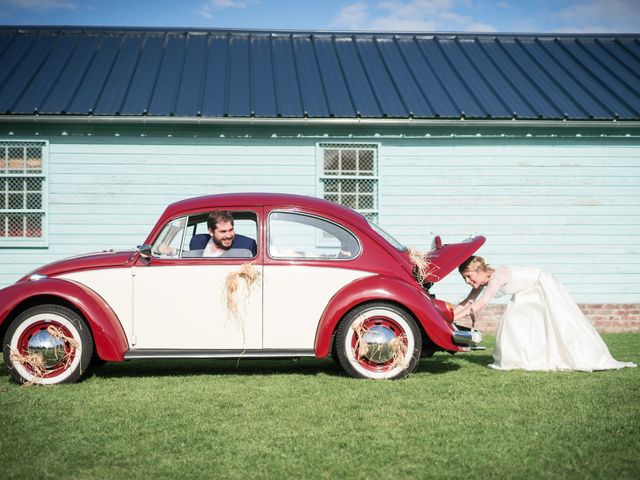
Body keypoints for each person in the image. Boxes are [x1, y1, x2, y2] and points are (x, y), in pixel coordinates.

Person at [454, 256, 636, 372]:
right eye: (465, 279)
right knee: (516, 322)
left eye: (469, 276)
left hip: (540, 286)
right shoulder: (482, 281)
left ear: (480, 271)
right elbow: (468, 302)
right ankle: (524, 357)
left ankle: (557, 355)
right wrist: (450, 316)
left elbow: (483, 302)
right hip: (525, 291)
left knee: (549, 323)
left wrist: (457, 316)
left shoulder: (497, 277)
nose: (468, 281)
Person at [158, 211, 257, 258]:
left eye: (231, 230)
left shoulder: (247, 245)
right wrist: (170, 251)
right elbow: (191, 256)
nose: (229, 235)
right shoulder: (198, 242)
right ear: (210, 232)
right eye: (223, 231)